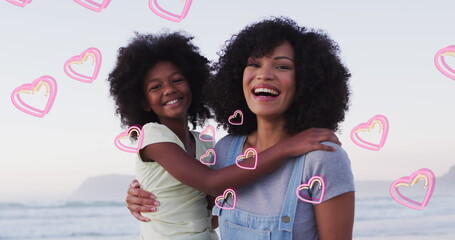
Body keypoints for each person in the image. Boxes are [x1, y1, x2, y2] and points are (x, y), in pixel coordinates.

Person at [109, 31, 342, 240]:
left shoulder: (207, 144)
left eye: (177, 80)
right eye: (155, 87)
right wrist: (285, 148)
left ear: (194, 84)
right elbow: (213, 183)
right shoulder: (153, 135)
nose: (169, 89)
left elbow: (215, 211)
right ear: (143, 103)